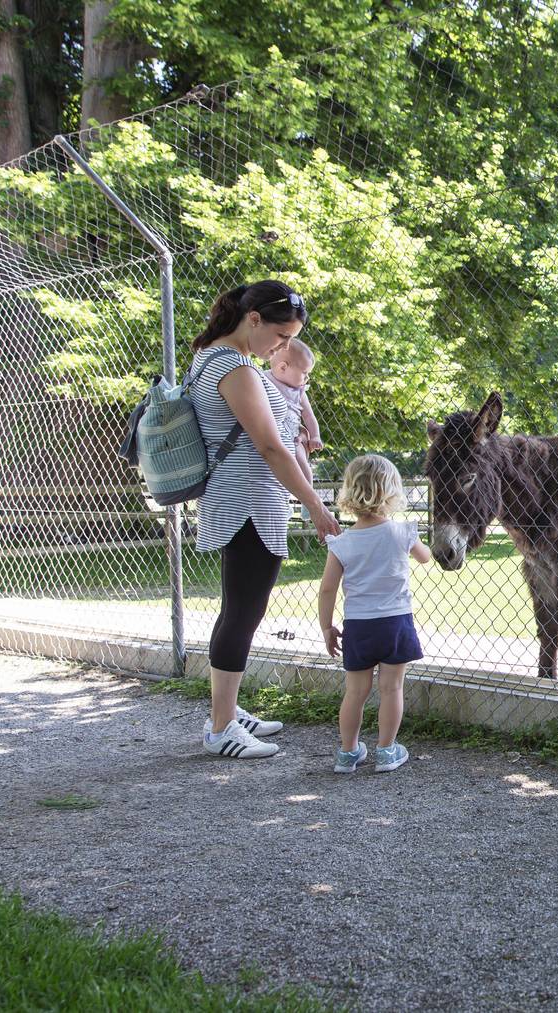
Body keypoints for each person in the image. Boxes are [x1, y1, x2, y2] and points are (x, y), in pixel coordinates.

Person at [191, 280, 342, 760]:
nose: (283, 347)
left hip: (241, 499)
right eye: (280, 337)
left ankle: (228, 711)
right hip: (248, 502)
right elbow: (272, 446)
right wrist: (316, 506)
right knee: (243, 612)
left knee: (238, 609)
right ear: (252, 319)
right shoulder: (235, 368)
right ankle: (221, 729)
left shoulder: (212, 358)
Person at [319, 454, 432, 773]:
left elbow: (327, 589)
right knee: (391, 688)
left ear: (350, 493)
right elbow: (425, 558)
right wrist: (415, 542)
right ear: (391, 492)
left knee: (355, 691)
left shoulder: (342, 543)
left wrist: (327, 627)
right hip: (395, 624)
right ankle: (386, 750)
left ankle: (348, 753)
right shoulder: (402, 533)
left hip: (358, 627)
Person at [266, 338, 323, 490]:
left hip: (294, 437)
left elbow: (309, 416)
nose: (307, 378)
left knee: (301, 463)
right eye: (305, 373)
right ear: (283, 367)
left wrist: (315, 436)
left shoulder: (299, 392)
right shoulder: (263, 380)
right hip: (270, 436)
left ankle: (308, 494)